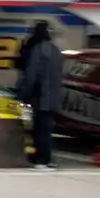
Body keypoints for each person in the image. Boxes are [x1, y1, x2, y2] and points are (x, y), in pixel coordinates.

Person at [17, 20, 64, 170]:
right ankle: (47, 158)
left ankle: (42, 160)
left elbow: (32, 75)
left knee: (40, 130)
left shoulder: (38, 49)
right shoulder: (56, 50)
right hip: (54, 97)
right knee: (47, 130)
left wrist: (22, 93)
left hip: (41, 98)